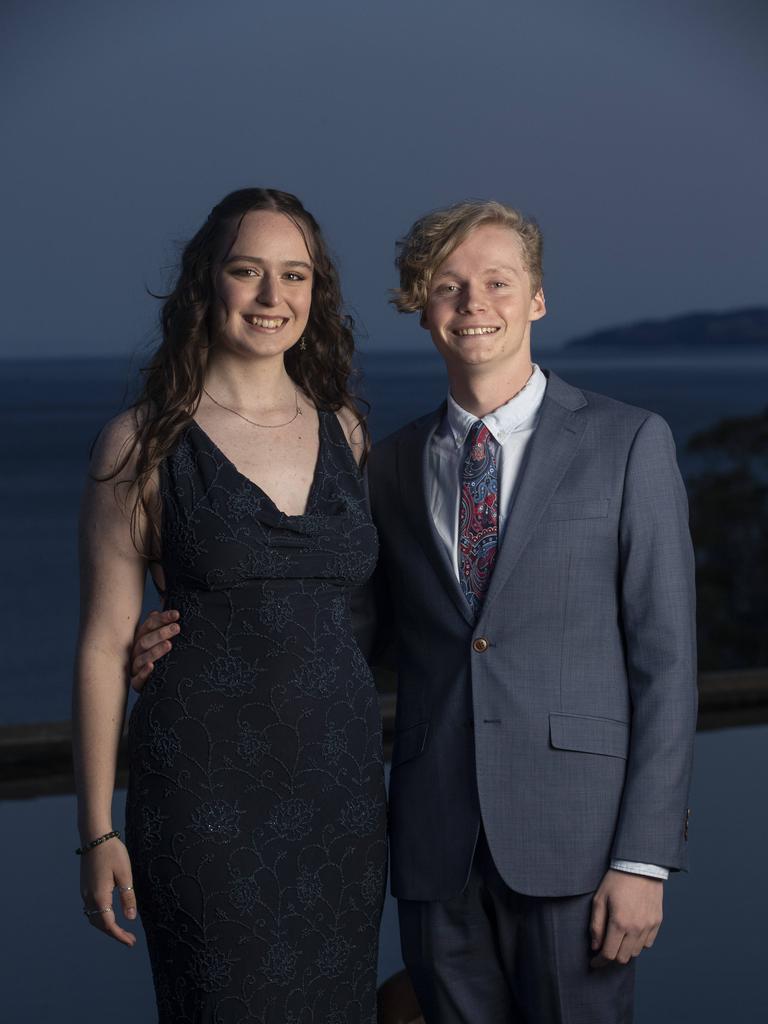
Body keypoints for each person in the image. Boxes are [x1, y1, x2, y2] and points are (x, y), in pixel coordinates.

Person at [132, 199, 697, 1023]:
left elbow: (668, 664)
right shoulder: (385, 462)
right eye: (448, 286)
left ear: (537, 299)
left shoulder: (628, 443)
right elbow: (340, 629)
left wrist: (644, 860)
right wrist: (184, 640)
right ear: (420, 307)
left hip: (580, 847)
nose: (475, 305)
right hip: (432, 850)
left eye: (499, 283)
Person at [72, 188, 387, 1024]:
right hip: (202, 795)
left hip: (343, 793)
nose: (272, 297)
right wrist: (98, 831)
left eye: (295, 276)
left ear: (316, 295)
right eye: (247, 272)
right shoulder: (141, 442)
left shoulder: (348, 432)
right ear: (205, 284)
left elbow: (352, 617)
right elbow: (105, 645)